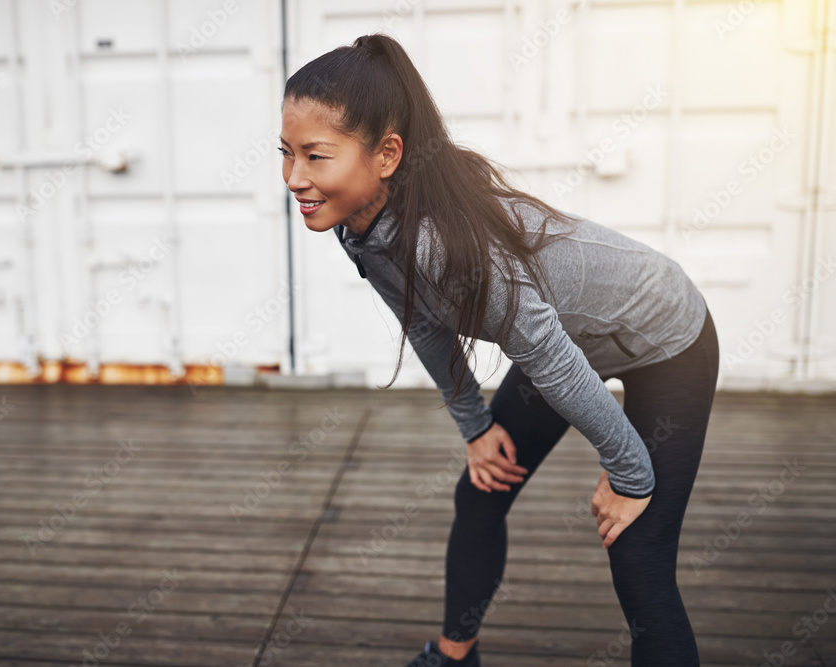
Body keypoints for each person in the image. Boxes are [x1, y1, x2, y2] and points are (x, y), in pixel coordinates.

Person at [278, 32, 718, 667]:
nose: (294, 178)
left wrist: (629, 473)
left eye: (315, 156)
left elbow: (554, 361)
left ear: (387, 155)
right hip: (571, 344)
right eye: (285, 154)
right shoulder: (361, 223)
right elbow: (424, 323)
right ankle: (456, 656)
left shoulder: (441, 243)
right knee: (481, 490)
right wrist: (475, 427)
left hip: (665, 334)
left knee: (637, 550)